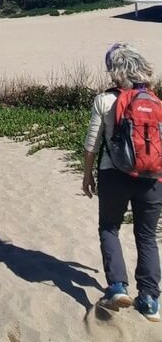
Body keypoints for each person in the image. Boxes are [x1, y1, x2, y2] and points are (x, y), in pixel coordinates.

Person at [82, 43, 162, 321]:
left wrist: (87, 176)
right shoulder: (155, 101)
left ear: (113, 71)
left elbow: (91, 145)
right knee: (147, 237)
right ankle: (150, 299)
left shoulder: (104, 100)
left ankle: (117, 286)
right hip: (152, 178)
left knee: (109, 227)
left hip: (113, 175)